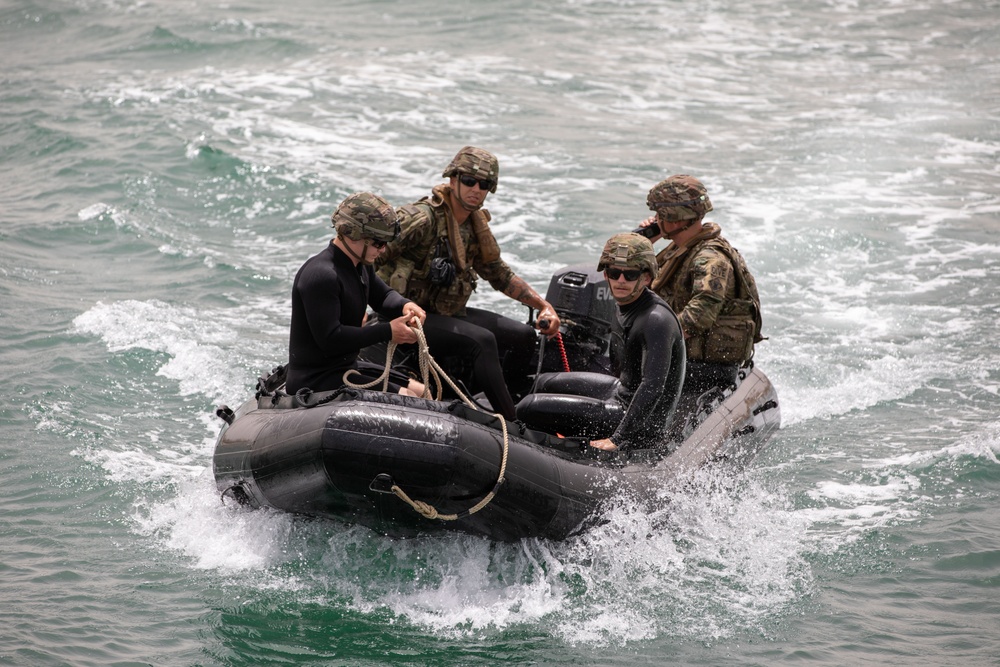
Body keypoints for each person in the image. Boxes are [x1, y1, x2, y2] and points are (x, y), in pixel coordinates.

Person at [375, 146, 561, 420]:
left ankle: (508, 401)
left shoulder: (473, 227)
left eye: (484, 184)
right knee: (482, 340)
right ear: (453, 180)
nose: (476, 188)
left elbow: (499, 274)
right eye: (469, 181)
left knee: (522, 336)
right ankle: (510, 422)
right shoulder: (422, 219)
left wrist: (543, 305)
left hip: (445, 314)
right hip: (407, 315)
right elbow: (371, 258)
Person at [514, 233, 686, 451]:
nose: (621, 280)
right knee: (540, 383)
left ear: (646, 278)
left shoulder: (656, 321)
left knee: (529, 408)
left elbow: (653, 386)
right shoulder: (625, 303)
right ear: (606, 276)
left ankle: (557, 455)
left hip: (641, 424)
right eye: (615, 273)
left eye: (630, 274)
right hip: (621, 392)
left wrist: (618, 439)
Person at [638, 174, 764, 421]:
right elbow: (634, 283)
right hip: (684, 356)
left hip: (704, 367)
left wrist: (650, 340)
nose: (657, 219)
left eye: (662, 214)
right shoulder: (679, 247)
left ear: (676, 217)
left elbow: (697, 318)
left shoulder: (709, 259)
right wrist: (643, 242)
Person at [286, 192, 427, 396]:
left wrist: (405, 305)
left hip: (345, 367)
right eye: (378, 242)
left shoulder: (360, 265)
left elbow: (383, 296)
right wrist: (388, 331)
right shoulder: (321, 276)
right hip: (315, 379)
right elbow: (331, 340)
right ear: (351, 233)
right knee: (410, 397)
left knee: (423, 392)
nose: (383, 249)